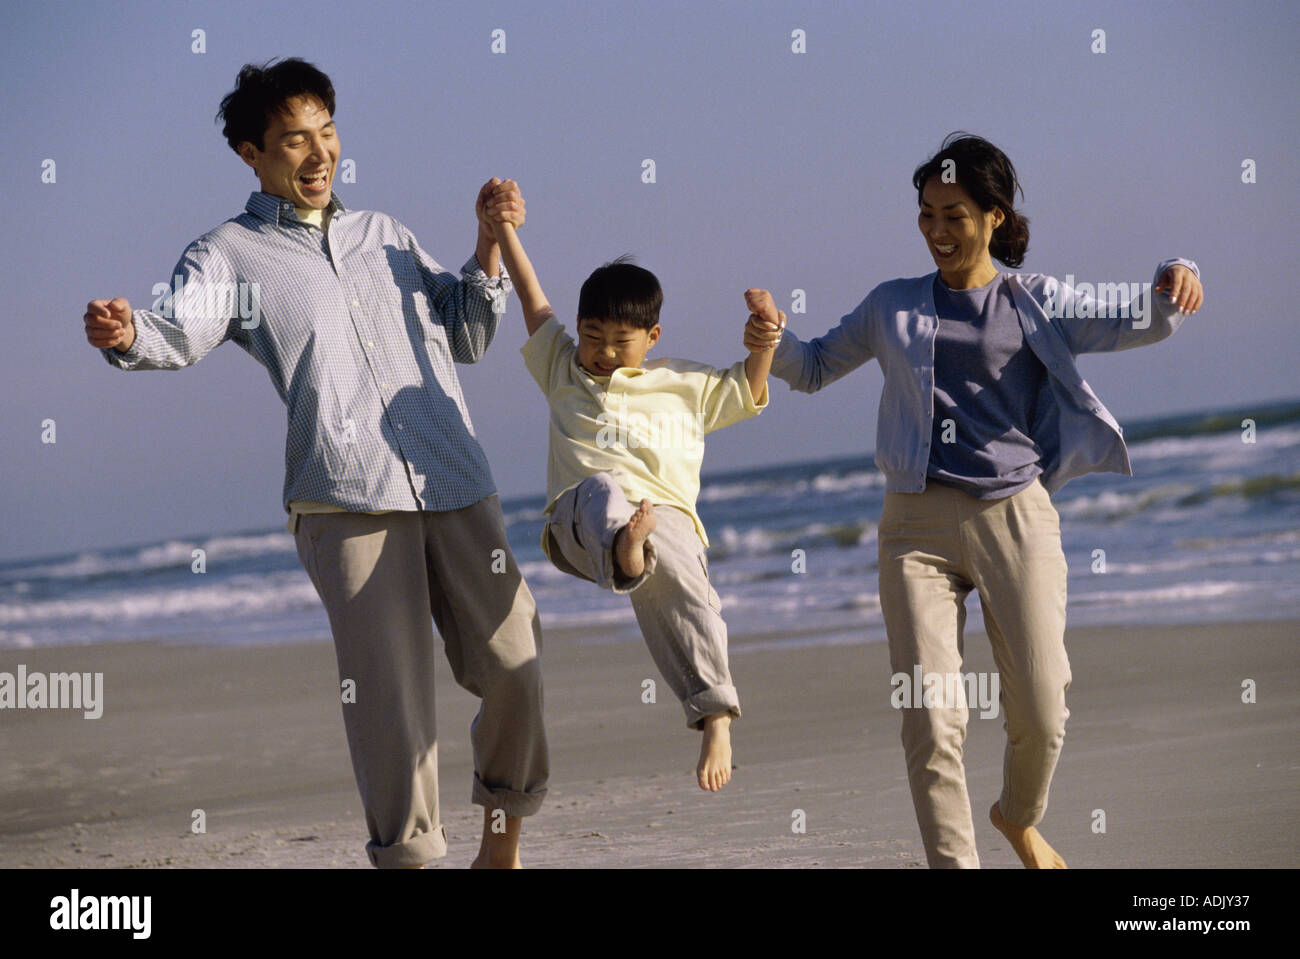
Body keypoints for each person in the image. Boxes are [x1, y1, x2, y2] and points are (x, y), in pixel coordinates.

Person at [81, 58, 548, 869]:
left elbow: (469, 336)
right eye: (294, 138)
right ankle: (411, 861)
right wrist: (128, 335)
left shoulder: (387, 235)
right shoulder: (228, 254)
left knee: (515, 658)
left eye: (327, 131)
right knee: (390, 705)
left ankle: (499, 844)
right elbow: (180, 330)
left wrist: (486, 245)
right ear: (250, 153)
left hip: (455, 479)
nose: (318, 152)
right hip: (346, 499)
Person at [747, 132, 1204, 868]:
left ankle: (1017, 815)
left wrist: (1177, 271)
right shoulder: (891, 306)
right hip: (914, 527)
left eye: (953, 213)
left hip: (1014, 516)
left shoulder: (1037, 300)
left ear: (995, 215)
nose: (936, 230)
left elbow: (1141, 316)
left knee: (1043, 708)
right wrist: (771, 338)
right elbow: (814, 366)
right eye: (926, 213)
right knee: (930, 715)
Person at [483, 185, 779, 791]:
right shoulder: (561, 366)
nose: (602, 353)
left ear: (653, 337)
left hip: (662, 522)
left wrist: (765, 339)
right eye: (593, 337)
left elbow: (747, 390)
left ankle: (715, 711)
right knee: (603, 491)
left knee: (686, 578)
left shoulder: (686, 383)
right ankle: (624, 549)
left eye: (620, 342)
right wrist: (502, 229)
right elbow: (531, 297)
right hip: (578, 525)